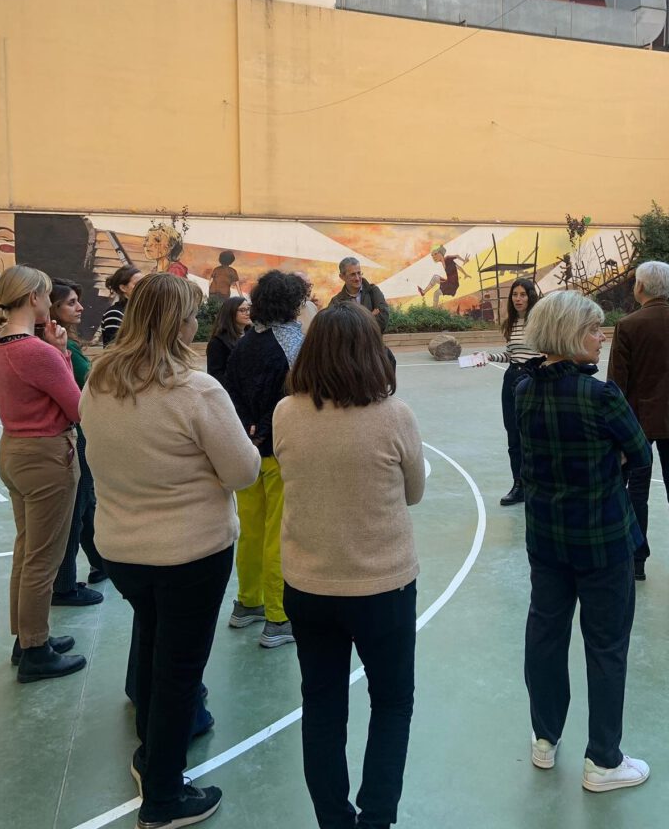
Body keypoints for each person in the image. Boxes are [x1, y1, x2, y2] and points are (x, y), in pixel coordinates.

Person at [80, 273, 260, 829]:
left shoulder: (99, 381)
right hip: (190, 553)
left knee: (155, 642)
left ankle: (150, 752)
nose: (195, 324)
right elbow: (243, 472)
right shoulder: (196, 392)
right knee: (180, 669)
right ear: (177, 323)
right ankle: (163, 798)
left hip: (123, 549)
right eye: (191, 315)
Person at [274, 303, 425, 829]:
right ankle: (376, 818)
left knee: (321, 705)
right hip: (382, 585)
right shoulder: (395, 415)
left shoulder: (286, 413)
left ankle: (334, 820)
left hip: (308, 583)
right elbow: (414, 493)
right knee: (392, 703)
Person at [516, 291, 651, 792]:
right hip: (602, 540)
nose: (602, 336)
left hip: (546, 537)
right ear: (572, 334)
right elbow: (640, 454)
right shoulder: (601, 396)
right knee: (607, 645)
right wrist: (608, 459)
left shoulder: (522, 390)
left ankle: (544, 738)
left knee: (545, 636)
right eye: (595, 328)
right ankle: (603, 760)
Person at [0, 265, 87, 683]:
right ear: (33, 298)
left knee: (27, 551)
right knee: (43, 559)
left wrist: (57, 350)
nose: (50, 301)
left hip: (15, 450)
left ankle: (28, 636)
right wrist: (60, 353)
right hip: (46, 457)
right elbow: (76, 406)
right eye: (47, 295)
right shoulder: (36, 351)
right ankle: (35, 651)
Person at [607, 260, 669, 585]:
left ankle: (637, 561)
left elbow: (616, 384)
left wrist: (617, 431)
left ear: (640, 287)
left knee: (637, 490)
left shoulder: (628, 325)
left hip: (638, 422)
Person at [225, 270, 306, 646]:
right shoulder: (292, 343)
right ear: (290, 303)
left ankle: (247, 602)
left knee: (251, 530)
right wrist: (268, 429)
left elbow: (231, 391)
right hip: (281, 451)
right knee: (278, 534)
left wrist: (250, 428)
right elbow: (294, 396)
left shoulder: (244, 343)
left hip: (248, 452)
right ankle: (278, 616)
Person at [49, 279, 106, 604]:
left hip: (80, 434)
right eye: (71, 302)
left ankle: (100, 562)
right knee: (76, 509)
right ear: (53, 308)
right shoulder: (58, 348)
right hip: (75, 436)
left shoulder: (65, 344)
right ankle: (64, 585)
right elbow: (82, 392)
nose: (80, 307)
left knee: (85, 504)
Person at [487, 278, 540, 506]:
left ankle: (537, 484)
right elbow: (511, 355)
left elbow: (545, 352)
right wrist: (489, 357)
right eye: (515, 295)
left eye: (522, 294)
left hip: (532, 379)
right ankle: (518, 485)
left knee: (533, 434)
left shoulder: (539, 322)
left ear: (530, 296)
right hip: (511, 378)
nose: (518, 299)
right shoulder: (511, 323)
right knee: (513, 434)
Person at [329, 257, 389, 331]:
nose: (357, 278)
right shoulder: (337, 301)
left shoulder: (373, 291)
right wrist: (369, 316)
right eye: (352, 274)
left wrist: (353, 324)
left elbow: (383, 320)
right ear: (342, 277)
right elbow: (336, 328)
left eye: (359, 273)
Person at [206, 296, 251, 385]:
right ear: (230, 313)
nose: (248, 313)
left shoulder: (252, 335)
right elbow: (216, 375)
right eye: (242, 310)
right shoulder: (218, 342)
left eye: (248, 309)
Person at [100, 265, 142, 346]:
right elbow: (115, 348)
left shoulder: (139, 311)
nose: (144, 287)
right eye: (138, 284)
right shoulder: (114, 313)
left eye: (144, 283)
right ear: (123, 288)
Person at [293, 270, 319, 334]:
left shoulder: (312, 306)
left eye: (310, 285)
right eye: (306, 285)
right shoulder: (286, 310)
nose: (310, 289)